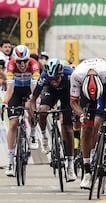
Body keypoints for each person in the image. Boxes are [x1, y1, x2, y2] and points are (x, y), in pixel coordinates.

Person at [69, 58, 106, 189]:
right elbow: (73, 102)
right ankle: (87, 169)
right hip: (87, 93)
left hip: (105, 88)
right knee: (88, 128)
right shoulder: (76, 75)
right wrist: (82, 115)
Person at [28, 58, 76, 181]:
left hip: (67, 94)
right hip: (51, 93)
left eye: (56, 79)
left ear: (61, 74)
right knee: (43, 109)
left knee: (68, 129)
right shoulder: (44, 77)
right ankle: (44, 137)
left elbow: (77, 98)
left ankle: (70, 166)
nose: (54, 82)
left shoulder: (70, 75)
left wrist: (75, 112)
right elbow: (33, 100)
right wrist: (34, 114)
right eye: (51, 79)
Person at [3, 45, 40, 177]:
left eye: (25, 61)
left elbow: (34, 88)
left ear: (28, 59)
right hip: (16, 92)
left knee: (32, 107)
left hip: (30, 90)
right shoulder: (11, 66)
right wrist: (4, 103)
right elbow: (10, 89)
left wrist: (33, 101)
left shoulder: (34, 65)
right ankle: (11, 161)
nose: (22, 64)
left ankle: (33, 134)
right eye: (19, 61)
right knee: (13, 124)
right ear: (14, 60)